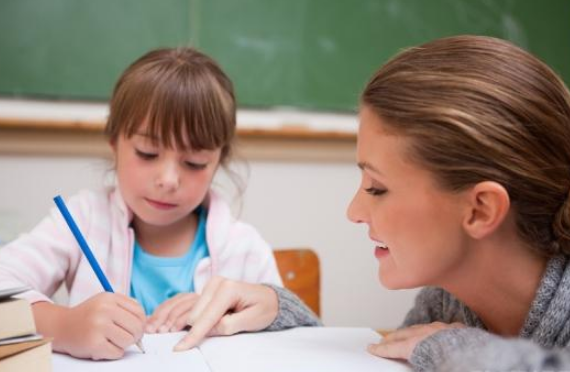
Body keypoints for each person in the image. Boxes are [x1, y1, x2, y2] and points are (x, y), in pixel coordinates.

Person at [171, 35, 570, 371]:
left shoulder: (450, 328)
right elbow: (378, 357)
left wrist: (455, 348)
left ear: (480, 209)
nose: (354, 212)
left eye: (376, 188)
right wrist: (278, 311)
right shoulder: (446, 301)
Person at [0, 47, 282, 360]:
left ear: (218, 161)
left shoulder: (242, 247)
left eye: (194, 162)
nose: (168, 179)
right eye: (148, 153)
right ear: (114, 142)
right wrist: (63, 326)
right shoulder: (83, 220)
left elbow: (299, 338)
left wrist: (267, 306)